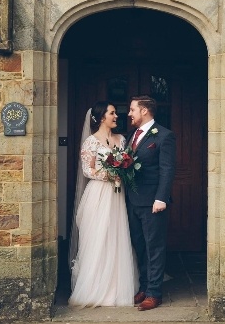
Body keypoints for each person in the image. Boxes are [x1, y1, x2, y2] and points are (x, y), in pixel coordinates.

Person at [68, 101, 138, 307]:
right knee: (98, 237)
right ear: (101, 118)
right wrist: (110, 174)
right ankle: (93, 288)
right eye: (112, 113)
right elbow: (87, 171)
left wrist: (122, 171)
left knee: (117, 236)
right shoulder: (90, 142)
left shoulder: (122, 139)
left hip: (117, 195)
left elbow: (127, 163)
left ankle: (117, 287)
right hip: (98, 194)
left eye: (116, 113)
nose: (116, 116)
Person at [126, 95, 176, 311]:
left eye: (132, 110)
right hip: (132, 201)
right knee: (140, 246)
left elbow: (167, 169)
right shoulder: (132, 135)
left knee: (154, 247)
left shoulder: (164, 136)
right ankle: (145, 287)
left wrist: (161, 198)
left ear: (144, 111)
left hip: (153, 203)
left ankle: (155, 293)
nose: (129, 114)